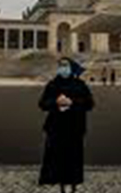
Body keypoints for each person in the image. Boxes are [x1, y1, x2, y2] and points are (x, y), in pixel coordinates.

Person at [39, 58, 95, 193]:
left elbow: (89, 104)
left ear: (71, 68)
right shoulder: (52, 84)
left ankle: (73, 181)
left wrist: (72, 102)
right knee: (56, 155)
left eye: (65, 66)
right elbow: (42, 103)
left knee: (73, 155)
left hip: (74, 125)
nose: (62, 68)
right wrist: (56, 102)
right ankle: (57, 181)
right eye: (60, 66)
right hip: (56, 126)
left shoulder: (80, 85)